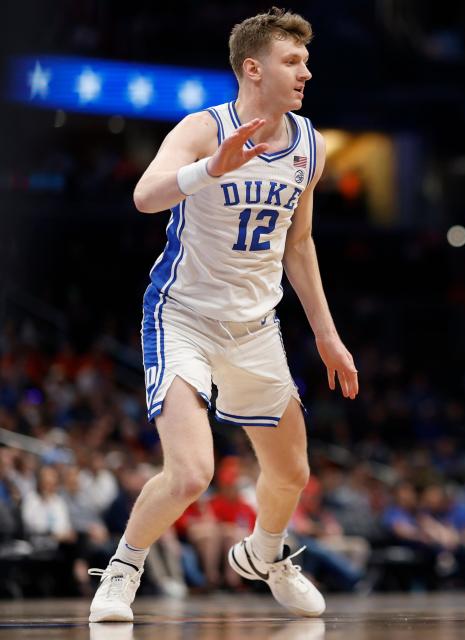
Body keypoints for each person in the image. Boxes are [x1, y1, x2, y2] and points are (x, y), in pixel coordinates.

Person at [88, 7, 358, 623]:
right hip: (183, 316)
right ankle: (122, 571)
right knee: (190, 474)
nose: (306, 73)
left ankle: (265, 555)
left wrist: (327, 336)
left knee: (292, 474)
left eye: (307, 61)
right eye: (294, 62)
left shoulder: (309, 144)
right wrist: (211, 168)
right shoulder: (202, 129)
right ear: (253, 69)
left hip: (256, 327)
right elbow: (144, 197)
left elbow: (300, 244)